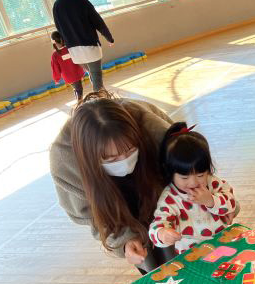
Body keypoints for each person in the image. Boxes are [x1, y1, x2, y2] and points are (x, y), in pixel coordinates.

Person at [50, 92, 236, 273]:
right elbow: (94, 217)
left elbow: (192, 170)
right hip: (119, 208)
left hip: (163, 196)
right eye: (111, 159)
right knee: (154, 266)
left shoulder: (156, 131)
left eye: (131, 151)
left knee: (187, 258)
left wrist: (217, 203)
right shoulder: (66, 164)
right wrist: (124, 242)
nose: (124, 161)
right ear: (90, 159)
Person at [149, 123, 238, 254]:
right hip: (192, 254)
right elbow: (158, 223)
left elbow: (232, 203)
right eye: (184, 177)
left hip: (223, 243)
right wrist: (162, 233)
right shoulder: (170, 198)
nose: (193, 182)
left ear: (208, 170)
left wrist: (211, 200)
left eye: (200, 175)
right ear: (170, 173)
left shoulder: (212, 182)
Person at [53, 0, 114, 93]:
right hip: (90, 47)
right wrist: (109, 38)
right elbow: (98, 22)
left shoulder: (56, 6)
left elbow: (59, 27)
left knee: (93, 74)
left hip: (74, 52)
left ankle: (102, 96)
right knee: (96, 76)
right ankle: (99, 99)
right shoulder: (82, 2)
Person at [50, 31, 85, 102]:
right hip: (77, 73)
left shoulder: (55, 55)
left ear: (54, 42)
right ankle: (79, 103)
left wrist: (56, 78)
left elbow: (55, 68)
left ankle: (79, 101)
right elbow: (80, 58)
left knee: (77, 89)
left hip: (68, 77)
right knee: (79, 90)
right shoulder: (70, 48)